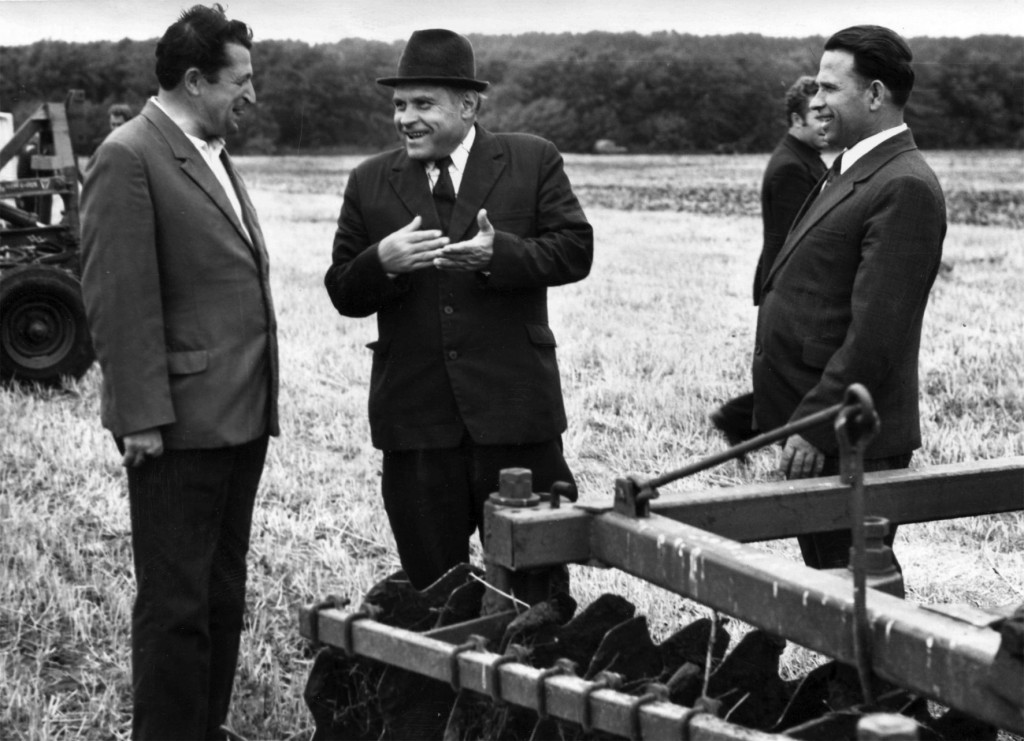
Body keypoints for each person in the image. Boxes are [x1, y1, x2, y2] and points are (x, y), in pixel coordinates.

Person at [324, 29, 593, 591]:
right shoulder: (368, 180)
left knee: (535, 591)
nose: (405, 119)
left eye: (423, 104)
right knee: (434, 594)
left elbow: (576, 250)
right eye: (399, 105)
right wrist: (382, 262)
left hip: (516, 420)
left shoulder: (532, 159)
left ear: (468, 105)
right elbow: (343, 290)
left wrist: (501, 254)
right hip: (417, 427)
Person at [79, 5, 278, 738]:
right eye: (240, 79)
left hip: (239, 418)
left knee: (221, 594)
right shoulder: (129, 154)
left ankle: (206, 726)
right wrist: (139, 418)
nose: (252, 94)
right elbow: (118, 297)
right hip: (178, 428)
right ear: (195, 80)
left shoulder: (208, 150)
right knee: (175, 606)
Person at [752, 25, 945, 569]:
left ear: (876, 94)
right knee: (832, 583)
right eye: (817, 87)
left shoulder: (903, 185)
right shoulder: (851, 168)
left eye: (830, 88)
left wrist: (816, 426)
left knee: (856, 587)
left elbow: (876, 334)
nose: (815, 101)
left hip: (849, 437)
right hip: (820, 425)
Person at [710, 75, 828, 446]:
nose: (826, 123)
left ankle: (738, 422)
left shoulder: (804, 159)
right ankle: (736, 420)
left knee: (792, 382)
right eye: (818, 116)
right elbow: (796, 246)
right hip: (791, 294)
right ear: (796, 119)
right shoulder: (793, 167)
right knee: (795, 382)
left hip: (789, 293)